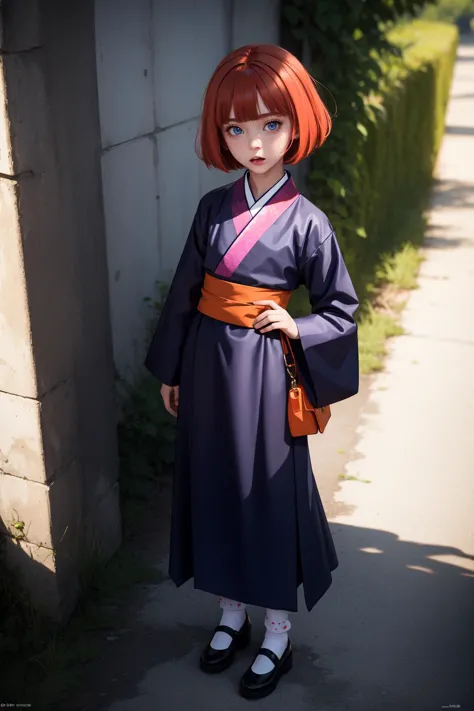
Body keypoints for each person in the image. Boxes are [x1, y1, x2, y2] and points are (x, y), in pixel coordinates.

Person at [145, 44, 359, 700]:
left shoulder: (309, 224)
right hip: (209, 366)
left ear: (297, 124)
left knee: (264, 492)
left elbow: (341, 309)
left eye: (270, 124)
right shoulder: (214, 209)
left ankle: (275, 631)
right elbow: (188, 287)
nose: (255, 143)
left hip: (268, 375)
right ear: (222, 134)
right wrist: (173, 366)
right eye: (237, 128)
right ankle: (229, 614)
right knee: (212, 484)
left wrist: (300, 327)